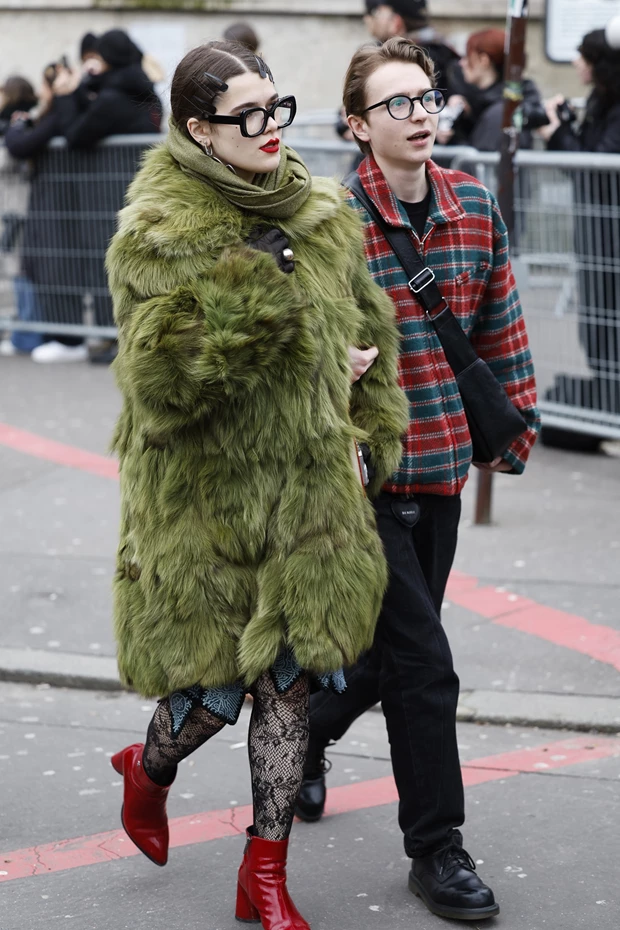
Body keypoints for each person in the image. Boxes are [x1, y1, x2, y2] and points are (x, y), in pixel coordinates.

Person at [106, 39, 408, 930]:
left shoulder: (316, 208)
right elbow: (165, 386)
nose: (273, 128)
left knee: (290, 684)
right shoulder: (160, 231)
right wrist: (255, 289)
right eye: (250, 116)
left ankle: (264, 876)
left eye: (277, 108)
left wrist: (362, 404)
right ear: (199, 128)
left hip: (310, 498)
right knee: (212, 693)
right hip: (210, 502)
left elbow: (367, 330)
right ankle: (147, 768)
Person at [295, 37, 540, 922]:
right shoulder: (327, 224)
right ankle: (437, 848)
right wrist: (333, 370)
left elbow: (501, 320)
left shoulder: (473, 206)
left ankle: (300, 739)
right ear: (359, 125)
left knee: (385, 660)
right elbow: (288, 344)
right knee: (426, 664)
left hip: (438, 468)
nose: (421, 114)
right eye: (396, 104)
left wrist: (515, 427)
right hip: (359, 477)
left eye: (427, 98)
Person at [538, 22, 620, 430]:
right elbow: (589, 156)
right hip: (597, 234)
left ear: (600, 65)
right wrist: (566, 126)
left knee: (609, 319)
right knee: (597, 318)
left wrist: (555, 134)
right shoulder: (602, 100)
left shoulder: (616, 106)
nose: (575, 63)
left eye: (583, 57)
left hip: (611, 236)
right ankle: (606, 405)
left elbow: (597, 167)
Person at [438, 28, 547, 150]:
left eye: (467, 56)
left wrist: (453, 141)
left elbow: (479, 162)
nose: (461, 63)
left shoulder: (500, 113)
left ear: (483, 60)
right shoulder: (488, 103)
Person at [364, 0, 461, 96]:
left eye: (375, 12)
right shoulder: (441, 49)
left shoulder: (416, 59)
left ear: (396, 22)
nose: (367, 19)